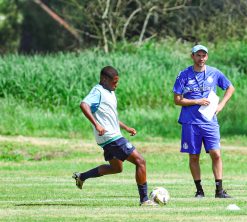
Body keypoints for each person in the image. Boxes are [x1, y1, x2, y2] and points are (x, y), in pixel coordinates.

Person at [72, 66, 155, 206]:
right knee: (140, 161)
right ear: (104, 79)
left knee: (117, 168)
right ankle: (144, 200)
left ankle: (82, 176)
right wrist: (97, 125)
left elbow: (110, 117)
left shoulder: (109, 92)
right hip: (111, 137)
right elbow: (83, 105)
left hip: (110, 137)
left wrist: (126, 127)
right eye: (114, 82)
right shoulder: (97, 91)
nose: (116, 85)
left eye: (117, 82)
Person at [173, 44, 235, 198]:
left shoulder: (214, 73)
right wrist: (196, 101)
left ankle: (219, 190)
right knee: (194, 156)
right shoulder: (184, 75)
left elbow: (230, 88)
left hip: (209, 121)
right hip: (190, 122)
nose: (201, 58)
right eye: (198, 55)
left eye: (204, 55)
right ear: (192, 56)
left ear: (207, 57)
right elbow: (177, 100)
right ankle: (199, 190)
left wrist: (221, 105)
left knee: (216, 154)